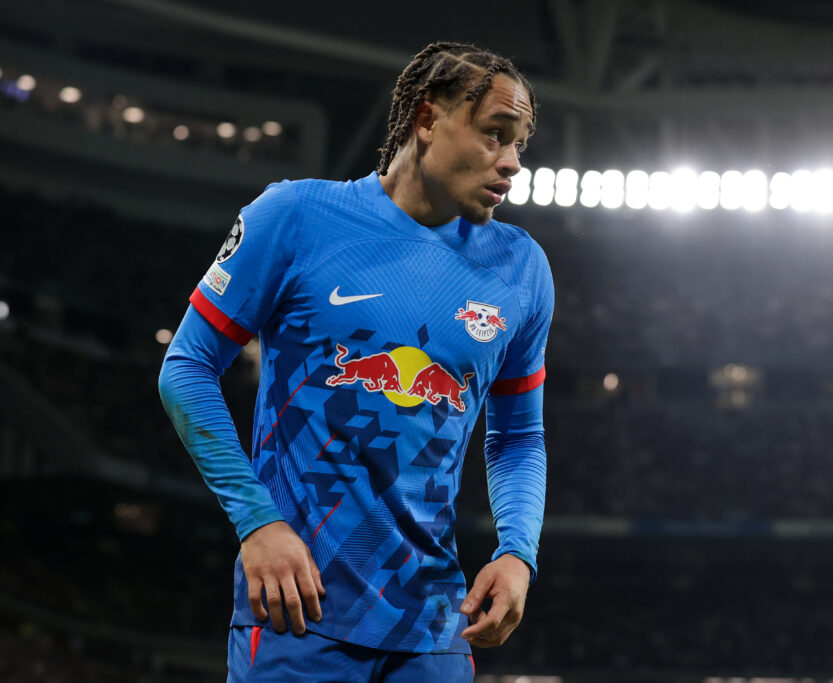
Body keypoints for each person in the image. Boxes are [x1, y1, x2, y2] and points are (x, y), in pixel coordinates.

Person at [158, 41, 552, 682]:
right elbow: (187, 367)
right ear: (427, 121)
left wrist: (518, 554)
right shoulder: (295, 217)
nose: (511, 163)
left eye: (520, 145)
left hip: (433, 629)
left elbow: (518, 436)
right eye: (494, 134)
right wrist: (258, 523)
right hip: (297, 613)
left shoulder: (521, 268)